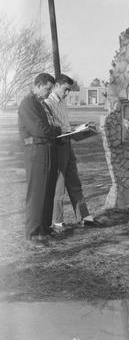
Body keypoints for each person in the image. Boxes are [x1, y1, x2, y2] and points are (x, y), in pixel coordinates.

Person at [45, 74, 99, 229]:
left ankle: (84, 217)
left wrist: (81, 128)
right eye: (65, 89)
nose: (67, 93)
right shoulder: (47, 103)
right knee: (59, 185)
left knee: (75, 182)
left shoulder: (62, 103)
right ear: (56, 85)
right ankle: (57, 222)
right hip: (58, 146)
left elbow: (64, 125)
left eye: (69, 90)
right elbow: (51, 128)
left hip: (68, 144)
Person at [18, 73, 61, 246]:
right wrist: (56, 131)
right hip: (36, 151)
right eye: (47, 88)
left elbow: (50, 125)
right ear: (37, 85)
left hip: (48, 149)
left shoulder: (42, 104)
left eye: (51, 89)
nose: (49, 92)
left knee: (48, 189)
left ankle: (44, 227)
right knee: (36, 192)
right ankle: (33, 232)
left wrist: (56, 131)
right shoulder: (28, 103)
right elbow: (39, 129)